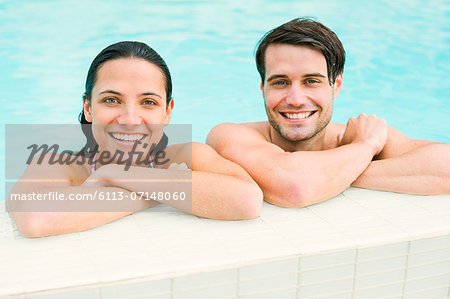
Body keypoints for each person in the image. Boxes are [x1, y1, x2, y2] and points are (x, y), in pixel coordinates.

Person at [9, 41, 263, 237]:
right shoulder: (57, 166)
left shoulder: (187, 154)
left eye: (148, 102)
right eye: (111, 100)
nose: (130, 119)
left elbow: (248, 200)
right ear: (88, 108)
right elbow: (35, 219)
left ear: (167, 111)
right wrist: (156, 191)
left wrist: (114, 174)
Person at [207, 18, 450, 208]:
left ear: (337, 86)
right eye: (280, 82)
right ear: (263, 89)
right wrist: (363, 148)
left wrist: (337, 173)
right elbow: (295, 188)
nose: (295, 99)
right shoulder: (230, 135)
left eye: (311, 81)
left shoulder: (357, 133)